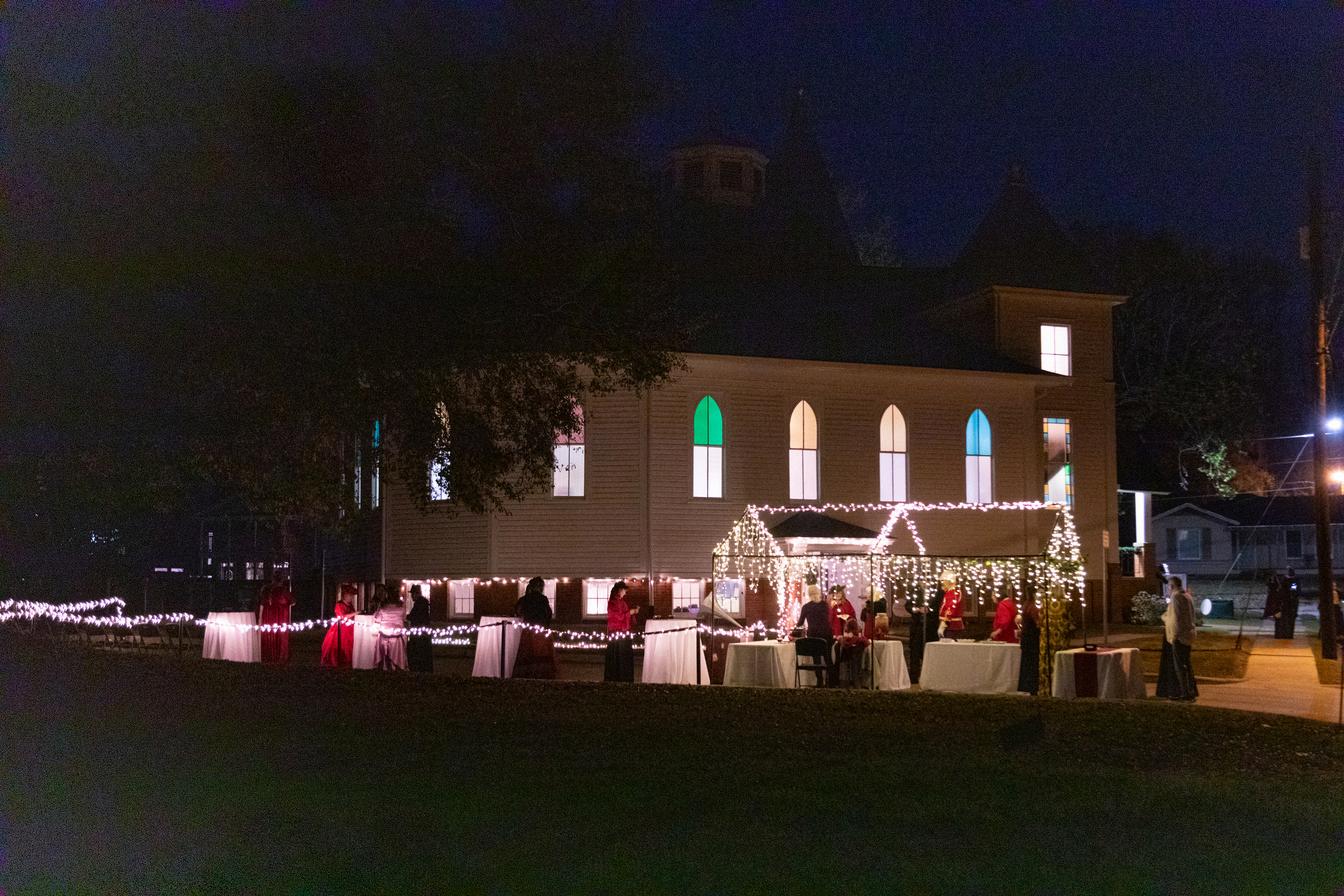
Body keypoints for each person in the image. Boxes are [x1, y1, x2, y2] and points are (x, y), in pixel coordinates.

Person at [1157, 582, 1197, 701]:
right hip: (1187, 635)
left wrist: (1173, 636)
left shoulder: (1176, 597)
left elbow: (1175, 618)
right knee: (1186, 664)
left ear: (1172, 586)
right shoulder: (1187, 596)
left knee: (1179, 666)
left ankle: (1184, 692)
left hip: (1178, 636)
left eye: (1169, 587)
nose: (1168, 590)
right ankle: (1190, 691)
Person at [513, 577, 558, 679]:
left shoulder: (524, 599)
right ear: (539, 587)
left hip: (528, 629)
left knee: (527, 651)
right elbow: (548, 614)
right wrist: (546, 625)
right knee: (540, 651)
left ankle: (527, 672)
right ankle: (541, 673)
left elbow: (517, 611)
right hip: (540, 630)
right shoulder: (542, 599)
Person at [795, 584, 835, 686]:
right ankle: (831, 682)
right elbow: (828, 619)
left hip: (813, 635)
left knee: (816, 659)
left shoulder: (806, 607)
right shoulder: (825, 605)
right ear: (818, 593)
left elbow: (800, 623)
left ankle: (819, 681)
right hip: (826, 635)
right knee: (828, 658)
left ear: (809, 594)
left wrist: (794, 630)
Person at [904, 583, 941, 684]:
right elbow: (908, 605)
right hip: (917, 625)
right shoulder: (914, 590)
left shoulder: (936, 591)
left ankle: (930, 676)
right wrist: (916, 610)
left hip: (930, 626)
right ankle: (914, 677)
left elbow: (939, 605)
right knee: (915, 651)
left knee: (929, 651)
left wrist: (929, 610)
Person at [257, 575, 295, 664]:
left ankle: (268, 655)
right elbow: (292, 601)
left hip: (268, 616)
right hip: (280, 617)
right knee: (280, 635)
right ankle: (279, 656)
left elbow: (261, 602)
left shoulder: (265, 589)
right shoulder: (283, 590)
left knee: (268, 633)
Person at [604, 580, 636, 682]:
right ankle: (617, 677)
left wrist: (632, 613)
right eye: (624, 591)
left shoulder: (622, 602)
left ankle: (624, 677)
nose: (625, 593)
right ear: (619, 590)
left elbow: (624, 614)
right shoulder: (613, 602)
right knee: (617, 657)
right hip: (616, 634)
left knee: (624, 657)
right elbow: (616, 617)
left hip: (624, 633)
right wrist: (629, 613)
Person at [320, 584, 358, 667]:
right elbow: (342, 616)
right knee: (341, 644)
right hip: (341, 629)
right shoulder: (339, 604)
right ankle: (341, 660)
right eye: (350, 595)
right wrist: (355, 613)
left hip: (350, 628)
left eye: (352, 596)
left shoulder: (350, 605)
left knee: (350, 644)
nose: (351, 597)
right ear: (345, 595)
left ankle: (349, 660)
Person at [372, 590, 408, 671]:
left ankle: (384, 667)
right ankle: (396, 667)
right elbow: (404, 620)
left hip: (383, 636)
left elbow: (377, 620)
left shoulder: (382, 609)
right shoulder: (401, 610)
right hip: (397, 637)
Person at [406, 585, 433, 674]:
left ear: (416, 594)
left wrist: (407, 617)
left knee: (419, 652)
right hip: (423, 633)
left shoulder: (419, 603)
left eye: (412, 594)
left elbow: (413, 616)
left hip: (419, 634)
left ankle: (420, 669)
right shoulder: (423, 602)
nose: (411, 596)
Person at [835, 616, 869, 687]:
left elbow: (839, 642)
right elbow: (867, 643)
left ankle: (842, 683)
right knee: (856, 668)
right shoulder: (860, 640)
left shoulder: (843, 640)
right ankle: (856, 684)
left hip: (844, 660)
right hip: (857, 661)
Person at [1017, 602, 1041, 694]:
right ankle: (1032, 688)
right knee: (1032, 665)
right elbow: (1038, 624)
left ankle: (1029, 687)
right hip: (1032, 641)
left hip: (1027, 640)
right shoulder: (1032, 608)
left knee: (1027, 665)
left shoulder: (1026, 607)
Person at [937, 571, 964, 640]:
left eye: (943, 582)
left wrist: (943, 624)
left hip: (951, 625)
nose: (942, 585)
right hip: (952, 625)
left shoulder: (951, 593)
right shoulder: (955, 592)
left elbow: (950, 609)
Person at [1277, 568, 1300, 639]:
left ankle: (1284, 633)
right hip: (1291, 603)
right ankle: (1289, 634)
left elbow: (1282, 591)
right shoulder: (1294, 581)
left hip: (1286, 602)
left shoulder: (1285, 580)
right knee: (1290, 620)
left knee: (1285, 619)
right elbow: (1294, 591)